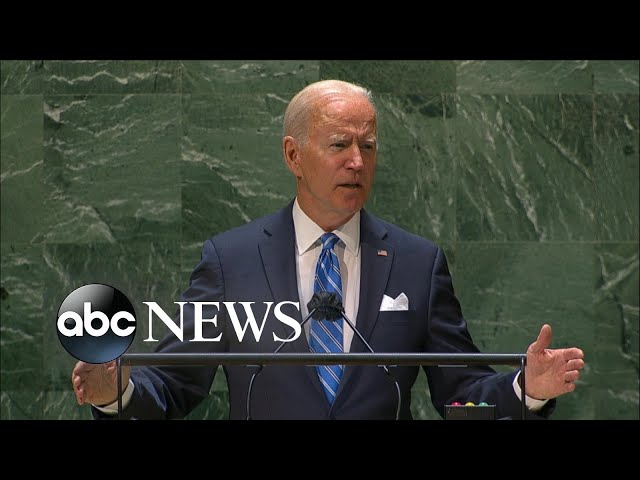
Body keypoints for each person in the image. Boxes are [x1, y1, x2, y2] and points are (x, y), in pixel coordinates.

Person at [71, 79, 585, 420]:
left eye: (368, 146)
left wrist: (527, 388)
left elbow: (462, 394)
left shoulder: (417, 263)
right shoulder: (231, 262)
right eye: (340, 145)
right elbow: (171, 383)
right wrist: (115, 392)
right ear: (294, 155)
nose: (357, 162)